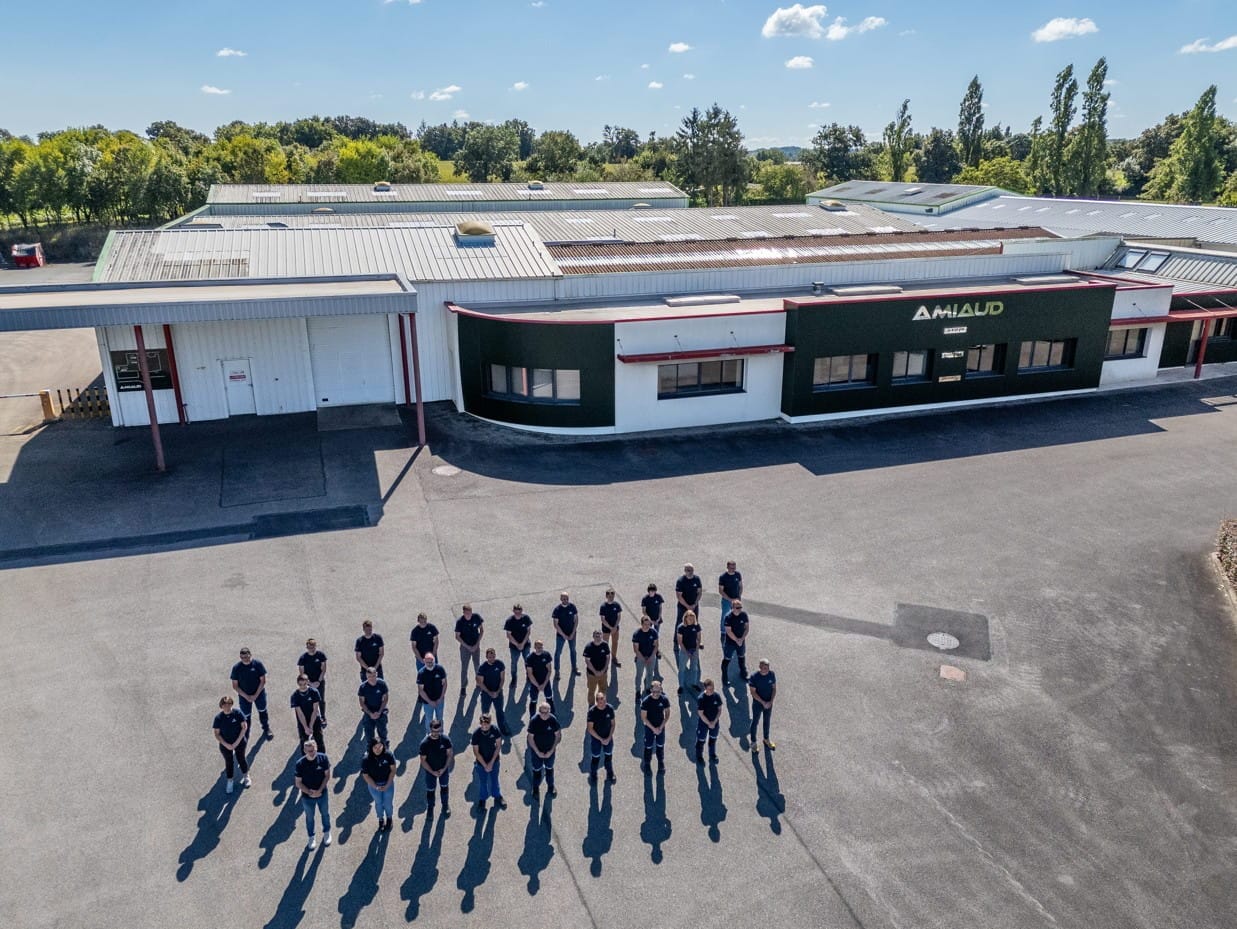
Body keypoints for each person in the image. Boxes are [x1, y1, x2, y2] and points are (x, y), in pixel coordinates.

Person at [294, 740, 332, 849]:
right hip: (307, 797)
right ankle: (311, 836)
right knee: (309, 818)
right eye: (309, 751)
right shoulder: (300, 764)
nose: (311, 753)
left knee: (325, 814)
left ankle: (327, 832)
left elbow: (327, 775)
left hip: (322, 794)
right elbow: (298, 783)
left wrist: (319, 790)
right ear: (304, 750)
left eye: (313, 750)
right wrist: (310, 792)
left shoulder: (323, 758)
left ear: (316, 748)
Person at [230, 647, 272, 739]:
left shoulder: (257, 664)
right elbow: (235, 686)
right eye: (242, 657)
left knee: (262, 711)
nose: (244, 659)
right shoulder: (236, 668)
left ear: (250, 655)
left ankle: (266, 728)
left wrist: (255, 695)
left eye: (246, 657)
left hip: (259, 694)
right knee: (246, 716)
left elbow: (263, 681)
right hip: (244, 696)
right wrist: (247, 697)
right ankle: (246, 733)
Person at [213, 695, 250, 794]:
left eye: (229, 704)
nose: (227, 707)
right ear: (221, 706)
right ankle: (230, 781)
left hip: (239, 742)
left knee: (241, 758)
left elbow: (244, 727)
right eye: (225, 705)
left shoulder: (237, 713)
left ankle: (246, 776)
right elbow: (217, 734)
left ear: (231, 704)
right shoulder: (218, 718)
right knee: (229, 762)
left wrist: (236, 742)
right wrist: (226, 745)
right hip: (225, 745)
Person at [470, 714, 506, 813]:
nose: (485, 726)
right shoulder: (476, 734)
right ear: (480, 723)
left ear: (490, 723)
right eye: (483, 724)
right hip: (481, 763)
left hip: (494, 761)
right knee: (483, 782)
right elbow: (476, 752)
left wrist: (491, 762)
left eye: (487, 724)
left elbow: (498, 746)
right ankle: (482, 800)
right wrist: (485, 765)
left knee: (495, 780)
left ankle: (497, 796)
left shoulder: (495, 730)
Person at [526, 701, 562, 798]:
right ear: (539, 712)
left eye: (547, 712)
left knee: (549, 769)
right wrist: (537, 752)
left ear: (549, 711)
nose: (545, 715)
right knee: (537, 771)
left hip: (550, 751)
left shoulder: (553, 720)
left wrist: (551, 750)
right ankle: (535, 789)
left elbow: (558, 736)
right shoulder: (534, 721)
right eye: (542, 712)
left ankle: (551, 787)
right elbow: (530, 738)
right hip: (537, 752)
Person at [419, 718, 453, 816]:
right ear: (430, 729)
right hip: (430, 772)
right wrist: (432, 772)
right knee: (430, 790)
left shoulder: (445, 740)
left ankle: (445, 805)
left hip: (443, 770)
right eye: (434, 731)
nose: (436, 733)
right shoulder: (425, 743)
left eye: (438, 731)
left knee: (444, 788)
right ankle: (430, 808)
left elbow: (449, 754)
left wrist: (444, 768)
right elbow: (423, 761)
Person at [361, 737, 397, 830]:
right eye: (375, 747)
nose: (378, 749)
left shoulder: (388, 755)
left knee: (388, 803)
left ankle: (389, 818)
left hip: (388, 783)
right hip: (374, 785)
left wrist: (388, 784)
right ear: (371, 748)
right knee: (379, 803)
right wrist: (376, 786)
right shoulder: (366, 759)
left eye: (380, 746)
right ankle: (381, 819)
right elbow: (366, 776)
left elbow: (393, 770)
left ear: (383, 746)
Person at [475, 648, 511, 737]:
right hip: (486, 694)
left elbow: (502, 678)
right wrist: (489, 692)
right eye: (490, 657)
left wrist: (498, 691)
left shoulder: (500, 664)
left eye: (493, 656)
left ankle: (502, 729)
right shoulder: (482, 668)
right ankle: (484, 730)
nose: (492, 658)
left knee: (500, 711)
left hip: (498, 693)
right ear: (486, 657)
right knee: (485, 713)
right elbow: (480, 682)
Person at [639, 680, 671, 773]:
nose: (656, 694)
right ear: (651, 690)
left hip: (660, 726)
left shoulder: (664, 699)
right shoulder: (646, 701)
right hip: (649, 727)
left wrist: (661, 727)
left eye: (658, 691)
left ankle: (661, 763)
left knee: (660, 745)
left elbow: (667, 714)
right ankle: (647, 764)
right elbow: (643, 717)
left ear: (661, 689)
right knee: (648, 746)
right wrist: (653, 729)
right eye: (654, 691)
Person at [586, 691, 617, 784]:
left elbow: (613, 724)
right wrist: (601, 739)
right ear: (597, 702)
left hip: (608, 737)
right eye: (600, 702)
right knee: (595, 757)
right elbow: (590, 729)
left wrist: (609, 737)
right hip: (596, 739)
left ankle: (610, 772)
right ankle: (593, 775)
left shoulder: (610, 708)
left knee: (608, 756)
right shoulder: (592, 712)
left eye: (604, 701)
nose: (603, 704)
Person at [297, 638, 328, 727]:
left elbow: (323, 669)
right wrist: (310, 683)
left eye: (313, 647)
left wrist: (318, 681)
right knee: (310, 701)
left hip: (319, 682)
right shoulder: (303, 658)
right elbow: (302, 673)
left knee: (321, 700)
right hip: (307, 684)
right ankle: (313, 718)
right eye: (309, 647)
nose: (311, 649)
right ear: (307, 647)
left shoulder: (321, 655)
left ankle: (323, 717)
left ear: (315, 646)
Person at [454, 604, 484, 696]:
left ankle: (479, 683)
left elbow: (481, 630)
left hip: (475, 646)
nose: (469, 614)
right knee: (464, 668)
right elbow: (457, 636)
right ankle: (463, 687)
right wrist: (467, 646)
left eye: (470, 612)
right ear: (463, 613)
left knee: (477, 665)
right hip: (465, 648)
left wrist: (477, 644)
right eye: (467, 613)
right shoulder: (460, 622)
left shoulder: (476, 617)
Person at [748, 659, 778, 753]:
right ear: (760, 667)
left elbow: (774, 688)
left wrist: (770, 701)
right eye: (764, 668)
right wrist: (763, 702)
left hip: (768, 703)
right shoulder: (754, 677)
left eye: (767, 668)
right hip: (758, 704)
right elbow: (753, 693)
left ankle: (766, 739)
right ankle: (753, 742)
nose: (766, 670)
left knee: (767, 721)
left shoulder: (771, 674)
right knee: (755, 722)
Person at [290, 674, 325, 752]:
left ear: (308, 682)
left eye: (305, 684)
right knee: (304, 743)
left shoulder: (314, 692)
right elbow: (300, 713)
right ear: (298, 683)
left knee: (319, 740)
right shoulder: (295, 696)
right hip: (303, 722)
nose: (303, 686)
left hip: (315, 719)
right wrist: (306, 727)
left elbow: (315, 710)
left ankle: (322, 757)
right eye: (300, 684)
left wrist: (311, 725)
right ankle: (306, 758)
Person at [358, 666, 390, 747]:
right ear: (366, 676)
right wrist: (370, 713)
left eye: (373, 676)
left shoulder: (382, 684)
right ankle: (371, 749)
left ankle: (384, 747)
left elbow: (385, 699)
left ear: (376, 674)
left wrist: (379, 712)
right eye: (369, 676)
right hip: (369, 714)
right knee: (369, 734)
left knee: (383, 732)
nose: (372, 678)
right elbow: (362, 703)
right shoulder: (363, 687)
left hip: (381, 712)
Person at [417, 652, 448, 735]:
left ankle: (440, 734)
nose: (429, 664)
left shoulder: (440, 669)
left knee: (440, 718)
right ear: (424, 661)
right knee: (429, 719)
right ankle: (429, 734)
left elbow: (445, 684)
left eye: (431, 662)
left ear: (434, 661)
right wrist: (430, 702)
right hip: (427, 703)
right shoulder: (421, 673)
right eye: (427, 662)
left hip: (440, 700)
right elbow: (421, 690)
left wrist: (440, 698)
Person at [551, 591, 580, 678]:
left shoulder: (572, 607)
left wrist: (573, 633)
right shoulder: (557, 610)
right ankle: (557, 671)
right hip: (561, 635)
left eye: (567, 598)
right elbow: (556, 624)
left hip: (572, 634)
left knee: (573, 651)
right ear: (560, 599)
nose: (565, 600)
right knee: (558, 653)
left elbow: (576, 620)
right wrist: (564, 635)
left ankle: (574, 668)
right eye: (563, 599)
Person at [721, 599, 750, 684]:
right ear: (732, 608)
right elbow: (728, 631)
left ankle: (743, 673)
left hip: (741, 641)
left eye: (740, 607)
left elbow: (747, 628)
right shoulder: (728, 617)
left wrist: (742, 639)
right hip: (730, 642)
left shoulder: (744, 615)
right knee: (727, 660)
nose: (739, 609)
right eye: (737, 608)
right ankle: (724, 678)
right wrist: (737, 640)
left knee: (741, 657)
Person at [695, 678, 723, 764]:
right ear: (705, 688)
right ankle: (699, 756)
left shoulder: (716, 696)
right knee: (701, 741)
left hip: (714, 722)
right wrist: (709, 723)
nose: (712, 690)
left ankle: (712, 754)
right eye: (709, 689)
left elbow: (719, 709)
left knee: (712, 740)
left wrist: (714, 721)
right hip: (703, 723)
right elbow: (700, 713)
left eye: (713, 688)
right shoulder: (701, 698)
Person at [631, 614, 659, 697]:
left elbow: (656, 646)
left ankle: (648, 688)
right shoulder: (637, 634)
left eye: (649, 624)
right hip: (640, 657)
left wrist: (651, 657)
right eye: (645, 624)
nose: (647, 626)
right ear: (642, 624)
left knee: (650, 674)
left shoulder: (653, 632)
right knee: (639, 675)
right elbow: (636, 649)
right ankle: (638, 691)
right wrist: (643, 659)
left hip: (651, 657)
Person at [676, 610, 703, 694]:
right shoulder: (681, 627)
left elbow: (698, 638)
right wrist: (686, 652)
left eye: (693, 618)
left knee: (694, 667)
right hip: (684, 650)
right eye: (689, 618)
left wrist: (696, 649)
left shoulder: (697, 626)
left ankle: (694, 683)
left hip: (694, 649)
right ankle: (681, 686)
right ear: (685, 618)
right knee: (682, 669)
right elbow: (680, 641)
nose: (691, 620)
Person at [504, 604, 532, 681]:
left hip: (526, 645)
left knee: (528, 662)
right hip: (514, 647)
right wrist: (517, 644)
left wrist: (522, 644)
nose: (517, 614)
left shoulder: (526, 618)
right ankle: (514, 678)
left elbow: (528, 632)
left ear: (521, 611)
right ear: (513, 611)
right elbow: (509, 635)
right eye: (516, 612)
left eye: (519, 612)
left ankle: (529, 676)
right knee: (514, 663)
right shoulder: (509, 621)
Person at [525, 639, 554, 716]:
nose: (540, 649)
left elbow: (549, 670)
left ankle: (552, 715)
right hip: (534, 683)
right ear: (534, 647)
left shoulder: (546, 655)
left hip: (545, 681)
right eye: (538, 647)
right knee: (533, 701)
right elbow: (530, 674)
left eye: (541, 647)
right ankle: (532, 717)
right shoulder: (530, 658)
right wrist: (538, 686)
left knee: (549, 698)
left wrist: (544, 684)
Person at [582, 629, 611, 706]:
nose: (598, 638)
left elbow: (608, 657)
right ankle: (591, 706)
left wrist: (604, 670)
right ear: (593, 637)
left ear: (602, 636)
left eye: (599, 636)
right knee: (591, 691)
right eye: (596, 636)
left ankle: (600, 704)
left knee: (603, 690)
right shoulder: (589, 647)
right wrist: (595, 672)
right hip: (592, 675)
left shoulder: (605, 645)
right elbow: (587, 661)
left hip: (603, 674)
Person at [718, 559, 743, 638]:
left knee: (736, 615)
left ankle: (734, 630)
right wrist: (730, 599)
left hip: (736, 600)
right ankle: (723, 632)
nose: (733, 569)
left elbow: (740, 586)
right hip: (726, 601)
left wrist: (739, 596)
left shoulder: (738, 574)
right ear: (727, 567)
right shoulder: (723, 577)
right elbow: (721, 590)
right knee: (725, 615)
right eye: (731, 568)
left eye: (734, 568)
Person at [675, 564, 703, 635]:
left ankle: (695, 638)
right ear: (685, 571)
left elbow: (699, 592)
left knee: (694, 622)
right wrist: (687, 606)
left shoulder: (697, 579)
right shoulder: (681, 581)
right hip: (683, 606)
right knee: (680, 622)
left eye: (691, 570)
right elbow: (679, 596)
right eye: (688, 570)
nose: (690, 572)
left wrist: (695, 604)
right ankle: (677, 639)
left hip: (694, 606)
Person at [641, 584, 665, 657]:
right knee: (647, 634)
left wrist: (659, 617)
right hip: (648, 621)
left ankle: (656, 650)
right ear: (648, 591)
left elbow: (660, 607)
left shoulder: (658, 597)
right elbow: (644, 611)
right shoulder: (645, 599)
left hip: (657, 619)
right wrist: (650, 621)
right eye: (651, 591)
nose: (652, 592)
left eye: (653, 591)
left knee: (656, 635)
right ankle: (646, 650)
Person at [599, 589, 623, 667]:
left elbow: (619, 617)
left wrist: (615, 627)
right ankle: (604, 659)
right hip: (606, 629)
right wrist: (610, 628)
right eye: (609, 596)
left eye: (612, 595)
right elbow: (603, 619)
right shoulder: (603, 606)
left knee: (615, 643)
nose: (611, 597)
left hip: (615, 628)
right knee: (605, 644)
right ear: (606, 596)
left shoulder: (617, 605)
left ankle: (614, 658)